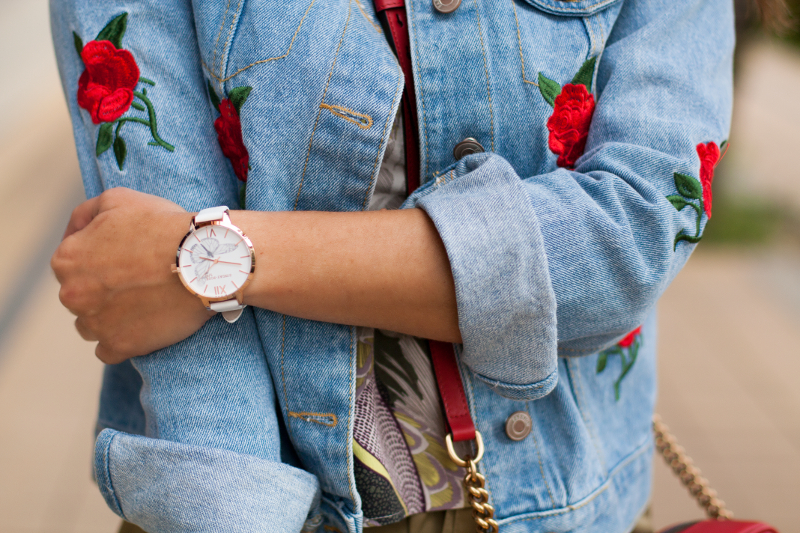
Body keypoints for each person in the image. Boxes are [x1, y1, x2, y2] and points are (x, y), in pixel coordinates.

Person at [49, 0, 735, 531]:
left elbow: (633, 235)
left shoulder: (203, 259)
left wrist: (214, 256)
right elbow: (188, 352)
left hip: (571, 496)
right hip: (266, 492)